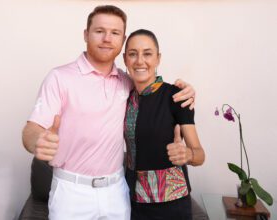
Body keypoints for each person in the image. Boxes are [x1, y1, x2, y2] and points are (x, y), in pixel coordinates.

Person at [22, 5, 196, 220]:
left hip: (116, 191)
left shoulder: (127, 81)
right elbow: (31, 129)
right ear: (86, 34)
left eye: (115, 33)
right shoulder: (59, 78)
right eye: (99, 31)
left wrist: (185, 91)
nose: (107, 38)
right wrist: (38, 141)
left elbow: (152, 84)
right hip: (72, 193)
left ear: (122, 41)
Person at [123, 29, 205, 220]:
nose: (140, 61)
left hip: (171, 205)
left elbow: (200, 155)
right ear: (125, 59)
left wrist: (188, 154)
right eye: (133, 54)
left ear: (158, 59)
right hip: (131, 200)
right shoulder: (123, 96)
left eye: (148, 53)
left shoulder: (176, 96)